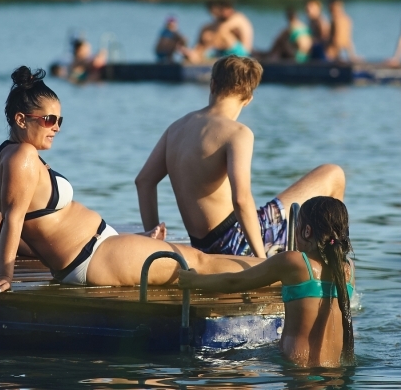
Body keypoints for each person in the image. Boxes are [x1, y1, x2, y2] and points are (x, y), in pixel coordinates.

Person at [0, 67, 261, 299]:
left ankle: (274, 269)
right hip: (95, 256)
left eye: (59, 119)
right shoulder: (22, 158)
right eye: (48, 119)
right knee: (200, 263)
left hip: (100, 249)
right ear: (20, 119)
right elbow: (9, 219)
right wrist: (5, 276)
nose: (56, 126)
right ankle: (285, 272)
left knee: (195, 263)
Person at [136, 56, 346, 259]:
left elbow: (144, 181)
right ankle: (331, 260)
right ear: (248, 99)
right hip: (237, 243)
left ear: (212, 85)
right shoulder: (237, 133)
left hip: (203, 244)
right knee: (333, 174)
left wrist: (154, 240)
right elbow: (241, 199)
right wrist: (261, 260)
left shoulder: (176, 128)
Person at [179, 196, 356, 368]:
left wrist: (193, 280)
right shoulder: (348, 269)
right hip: (335, 370)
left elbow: (234, 282)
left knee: (217, 361)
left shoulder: (293, 261)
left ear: (307, 231)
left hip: (298, 370)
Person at [183, 1, 251, 63]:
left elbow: (221, 29)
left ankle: (197, 55)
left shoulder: (238, 17)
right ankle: (195, 53)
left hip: (242, 52)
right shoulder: (222, 20)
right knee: (205, 29)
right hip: (223, 52)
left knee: (222, 34)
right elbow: (210, 28)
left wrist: (208, 37)